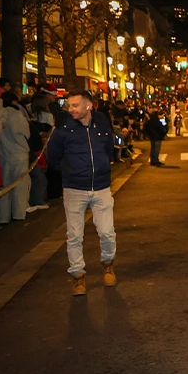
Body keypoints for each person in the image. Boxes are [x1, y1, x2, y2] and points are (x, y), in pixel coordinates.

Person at [47, 91, 117, 296]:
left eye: (76, 105)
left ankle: (108, 264)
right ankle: (78, 276)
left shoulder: (102, 126)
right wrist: (71, 172)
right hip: (74, 189)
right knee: (74, 235)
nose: (71, 109)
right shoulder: (64, 130)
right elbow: (54, 157)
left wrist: (103, 168)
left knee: (107, 232)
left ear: (89, 106)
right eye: (69, 105)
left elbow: (108, 150)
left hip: (101, 186)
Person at [0, 92, 32, 225]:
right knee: (20, 186)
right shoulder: (17, 115)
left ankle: (3, 216)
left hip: (2, 153)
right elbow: (26, 133)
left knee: (4, 186)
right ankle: (19, 214)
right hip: (19, 153)